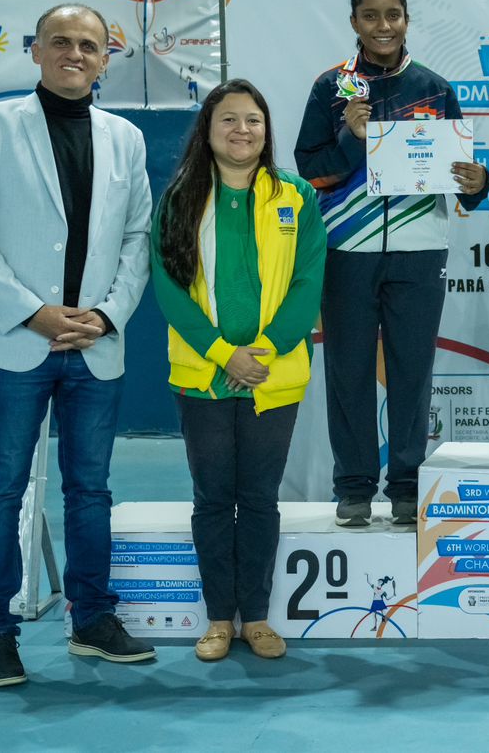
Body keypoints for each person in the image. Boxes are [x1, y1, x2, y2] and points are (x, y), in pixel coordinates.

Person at [0, 4, 155, 688]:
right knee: (3, 489)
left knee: (91, 492)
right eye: (60, 42)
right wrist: (32, 313)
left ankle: (92, 619)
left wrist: (107, 315)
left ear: (105, 58)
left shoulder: (125, 137)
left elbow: (136, 241)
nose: (74, 53)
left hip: (95, 346)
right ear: (35, 51)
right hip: (17, 345)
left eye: (88, 45)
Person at [296, 0, 489, 527]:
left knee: (412, 370)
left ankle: (408, 484)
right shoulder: (330, 89)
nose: (384, 27)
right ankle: (353, 486)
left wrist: (478, 181)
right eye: (372, 16)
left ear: (407, 19)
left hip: (420, 250)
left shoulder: (434, 87)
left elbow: (461, 177)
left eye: (394, 15)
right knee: (349, 369)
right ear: (354, 21)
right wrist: (349, 138)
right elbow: (313, 170)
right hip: (347, 249)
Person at [151, 80, 326, 661]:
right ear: (208, 130)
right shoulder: (180, 198)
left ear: (266, 130)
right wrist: (226, 355)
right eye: (229, 120)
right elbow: (170, 290)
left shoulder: (295, 196)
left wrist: (265, 353)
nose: (242, 131)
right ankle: (218, 620)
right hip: (204, 376)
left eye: (253, 120)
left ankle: (256, 617)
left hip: (272, 379)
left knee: (257, 498)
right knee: (211, 497)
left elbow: (307, 286)